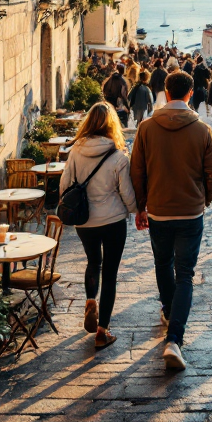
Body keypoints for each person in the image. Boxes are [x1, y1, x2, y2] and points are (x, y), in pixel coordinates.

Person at [130, 71, 212, 370]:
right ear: (190, 93)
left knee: (162, 264)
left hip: (158, 210)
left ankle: (169, 310)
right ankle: (174, 339)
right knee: (185, 274)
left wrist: (140, 206)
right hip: (190, 212)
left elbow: (137, 172)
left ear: (166, 92)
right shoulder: (203, 130)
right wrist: (203, 199)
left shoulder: (145, 128)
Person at [62, 102, 137, 349]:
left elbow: (64, 187)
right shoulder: (117, 156)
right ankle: (102, 332)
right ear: (111, 125)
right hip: (113, 220)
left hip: (84, 221)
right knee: (111, 272)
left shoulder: (75, 152)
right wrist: (136, 210)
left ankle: (90, 301)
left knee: (94, 261)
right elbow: (126, 193)